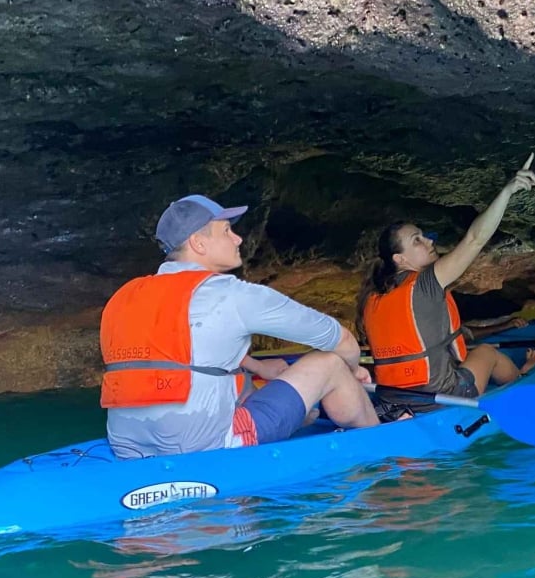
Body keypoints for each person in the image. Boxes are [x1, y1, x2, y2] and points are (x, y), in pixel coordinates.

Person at [100, 194, 378, 459]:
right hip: (203, 447)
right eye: (226, 231)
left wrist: (258, 367)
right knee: (330, 363)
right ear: (198, 243)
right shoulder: (233, 294)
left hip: (127, 446)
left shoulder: (124, 296)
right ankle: (380, 440)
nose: (238, 238)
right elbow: (339, 339)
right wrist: (353, 370)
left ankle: (299, 416)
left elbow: (181, 353)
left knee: (234, 375)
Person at [356, 155, 535, 407]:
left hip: (393, 398)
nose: (429, 241)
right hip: (440, 397)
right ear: (400, 259)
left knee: (468, 354)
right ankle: (522, 380)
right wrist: (507, 191)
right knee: (486, 352)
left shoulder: (373, 296)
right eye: (417, 240)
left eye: (424, 236)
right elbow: (475, 239)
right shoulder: (424, 285)